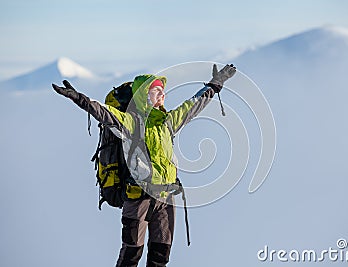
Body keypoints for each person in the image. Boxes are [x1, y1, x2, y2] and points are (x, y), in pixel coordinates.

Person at [52, 63, 236, 267]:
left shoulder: (167, 122)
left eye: (162, 91)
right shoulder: (130, 122)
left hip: (166, 198)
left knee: (160, 257)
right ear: (143, 96)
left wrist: (216, 84)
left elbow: (192, 105)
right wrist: (79, 98)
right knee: (131, 256)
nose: (162, 94)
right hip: (138, 197)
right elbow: (103, 112)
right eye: (156, 90)